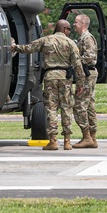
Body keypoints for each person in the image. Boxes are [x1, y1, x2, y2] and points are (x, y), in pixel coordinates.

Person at [12, 20, 85, 151]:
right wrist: (80, 84)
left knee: (51, 108)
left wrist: (15, 47)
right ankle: (67, 141)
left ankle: (53, 141)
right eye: (68, 29)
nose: (69, 31)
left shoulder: (46, 40)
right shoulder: (70, 43)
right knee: (66, 108)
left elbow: (28, 48)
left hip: (50, 77)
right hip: (65, 78)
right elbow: (78, 65)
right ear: (63, 29)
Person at [72, 14, 99, 148]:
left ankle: (87, 136)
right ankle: (92, 137)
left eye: (76, 22)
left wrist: (74, 61)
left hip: (87, 73)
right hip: (85, 73)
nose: (73, 24)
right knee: (89, 106)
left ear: (83, 24)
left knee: (79, 105)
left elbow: (89, 57)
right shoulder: (82, 38)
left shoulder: (87, 38)